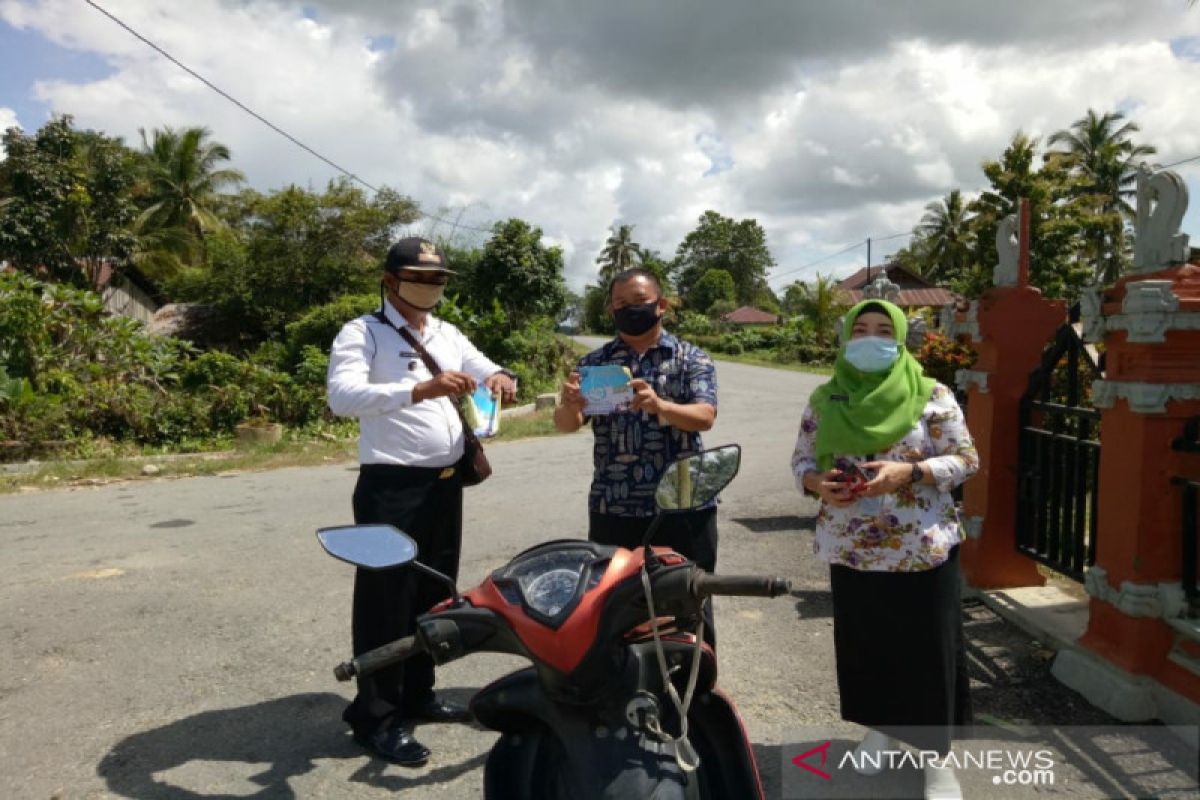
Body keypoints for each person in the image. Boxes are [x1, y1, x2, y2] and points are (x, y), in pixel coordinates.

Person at [327, 237, 517, 766]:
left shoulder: (447, 332)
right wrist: (417, 391)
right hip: (391, 487)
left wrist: (499, 376)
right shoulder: (362, 332)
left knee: (433, 592)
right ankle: (375, 717)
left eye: (438, 279)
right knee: (385, 600)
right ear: (390, 281)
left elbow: (485, 367)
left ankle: (417, 694)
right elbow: (341, 396)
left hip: (444, 484)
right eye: (420, 277)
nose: (431, 286)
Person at [790, 299, 978, 800]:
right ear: (846, 338)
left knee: (928, 650)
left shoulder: (931, 394)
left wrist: (910, 473)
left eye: (882, 329)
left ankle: (938, 760)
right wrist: (817, 484)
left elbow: (966, 460)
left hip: (921, 547)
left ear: (899, 337)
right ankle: (881, 727)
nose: (870, 339)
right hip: (853, 546)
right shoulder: (827, 397)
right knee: (868, 646)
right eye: (861, 329)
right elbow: (802, 462)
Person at [555, 268, 720, 645]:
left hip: (684, 502)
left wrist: (659, 405)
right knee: (617, 604)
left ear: (661, 305)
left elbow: (705, 417)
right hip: (615, 504)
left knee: (689, 600)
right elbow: (568, 424)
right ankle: (626, 693)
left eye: (639, 302)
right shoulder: (595, 365)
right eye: (619, 304)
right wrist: (570, 404)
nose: (628, 310)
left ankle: (695, 693)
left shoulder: (691, 358)